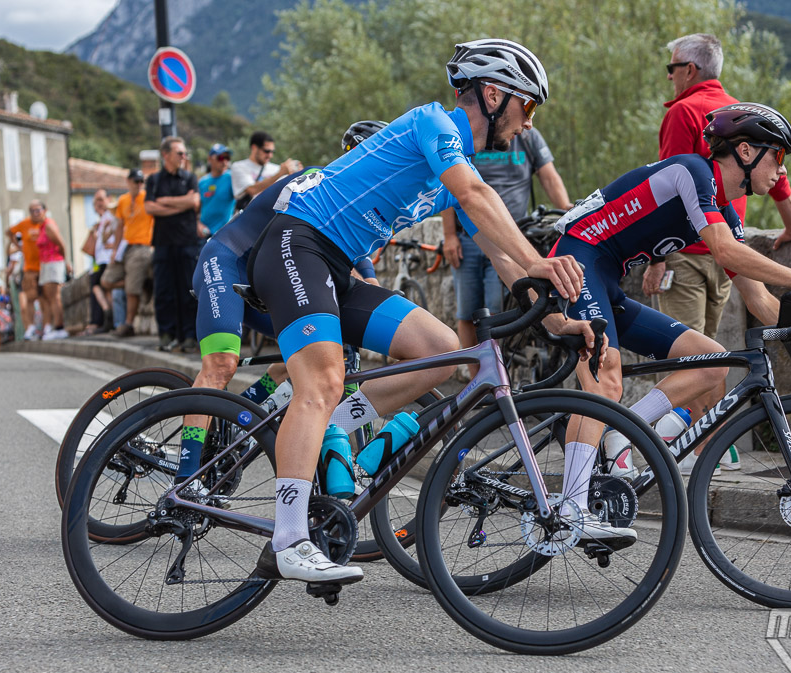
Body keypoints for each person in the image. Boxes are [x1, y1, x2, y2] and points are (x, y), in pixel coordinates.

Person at [246, 38, 592, 585]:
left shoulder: (459, 166)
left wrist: (556, 323)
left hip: (336, 263)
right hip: (297, 242)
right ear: (495, 94)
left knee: (441, 354)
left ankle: (329, 429)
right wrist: (541, 263)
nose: (528, 123)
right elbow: (479, 199)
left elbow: (503, 257)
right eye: (528, 106)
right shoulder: (436, 126)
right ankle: (288, 539)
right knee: (322, 380)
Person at [550, 103, 791, 510]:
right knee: (606, 378)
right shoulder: (691, 171)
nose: (783, 170)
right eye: (779, 155)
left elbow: (760, 299)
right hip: (575, 264)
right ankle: (569, 509)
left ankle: (622, 432)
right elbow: (722, 249)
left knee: (713, 362)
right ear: (745, 152)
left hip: (606, 280)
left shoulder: (724, 211)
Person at [175, 124, 383, 488]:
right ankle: (186, 475)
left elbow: (361, 261)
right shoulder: (316, 180)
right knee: (222, 364)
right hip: (226, 263)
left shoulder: (363, 205)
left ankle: (245, 414)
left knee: (311, 352)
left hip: (268, 281)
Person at [642, 33, 791, 338]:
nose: (669, 75)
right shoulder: (741, 113)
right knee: (709, 358)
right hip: (728, 244)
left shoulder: (683, 111)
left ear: (689, 70)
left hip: (686, 249)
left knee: (690, 358)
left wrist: (657, 259)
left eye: (672, 67)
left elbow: (668, 187)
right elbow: (776, 177)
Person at [442, 126, 572, 376]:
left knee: (496, 310)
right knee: (467, 310)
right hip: (467, 235)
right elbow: (449, 186)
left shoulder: (529, 136)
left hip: (510, 236)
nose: (527, 121)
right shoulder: (467, 135)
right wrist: (449, 235)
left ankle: (495, 376)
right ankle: (476, 377)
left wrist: (567, 213)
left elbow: (549, 177)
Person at [144, 137, 200, 353]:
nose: (183, 157)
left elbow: (194, 202)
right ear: (165, 155)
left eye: (185, 153)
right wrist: (181, 203)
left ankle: (188, 336)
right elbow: (149, 207)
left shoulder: (190, 178)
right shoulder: (154, 180)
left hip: (187, 241)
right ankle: (166, 335)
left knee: (188, 290)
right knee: (164, 291)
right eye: (179, 153)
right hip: (163, 243)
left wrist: (164, 202)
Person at [103, 169, 154, 338]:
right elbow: (119, 226)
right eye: (136, 181)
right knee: (106, 280)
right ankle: (142, 283)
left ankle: (128, 324)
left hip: (142, 246)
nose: (139, 185)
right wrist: (115, 250)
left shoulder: (147, 197)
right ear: (129, 182)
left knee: (131, 290)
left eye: (141, 182)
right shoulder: (123, 200)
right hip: (126, 247)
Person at [29, 201, 72, 340]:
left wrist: (66, 263)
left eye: (37, 210)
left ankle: (60, 327)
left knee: (54, 296)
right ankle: (54, 326)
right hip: (47, 264)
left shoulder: (48, 225)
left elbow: (61, 244)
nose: (35, 213)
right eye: (32, 211)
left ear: (44, 210)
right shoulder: (42, 227)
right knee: (49, 297)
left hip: (54, 263)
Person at [230, 131, 303, 210]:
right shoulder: (239, 166)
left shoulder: (276, 169)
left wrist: (296, 174)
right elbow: (252, 189)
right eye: (266, 151)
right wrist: (279, 174)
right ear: (254, 148)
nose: (270, 155)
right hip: (246, 216)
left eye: (272, 152)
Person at [82, 189, 118, 335]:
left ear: (109, 199)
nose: (98, 204)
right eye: (96, 201)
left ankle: (107, 314)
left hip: (107, 259)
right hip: (100, 260)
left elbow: (114, 239)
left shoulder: (111, 217)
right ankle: (105, 317)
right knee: (98, 286)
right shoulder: (102, 220)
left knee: (99, 285)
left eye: (101, 200)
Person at [7, 212, 41, 339]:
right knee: (22, 305)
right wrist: (19, 246)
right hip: (20, 276)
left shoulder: (33, 239)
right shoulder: (18, 245)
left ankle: (36, 329)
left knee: (36, 300)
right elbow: (10, 252)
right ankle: (27, 330)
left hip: (32, 271)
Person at [198, 143, 236, 240]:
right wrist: (197, 224)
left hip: (225, 234)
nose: (224, 161)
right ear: (209, 159)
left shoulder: (232, 178)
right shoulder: (202, 182)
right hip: (205, 233)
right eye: (220, 158)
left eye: (227, 158)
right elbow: (195, 209)